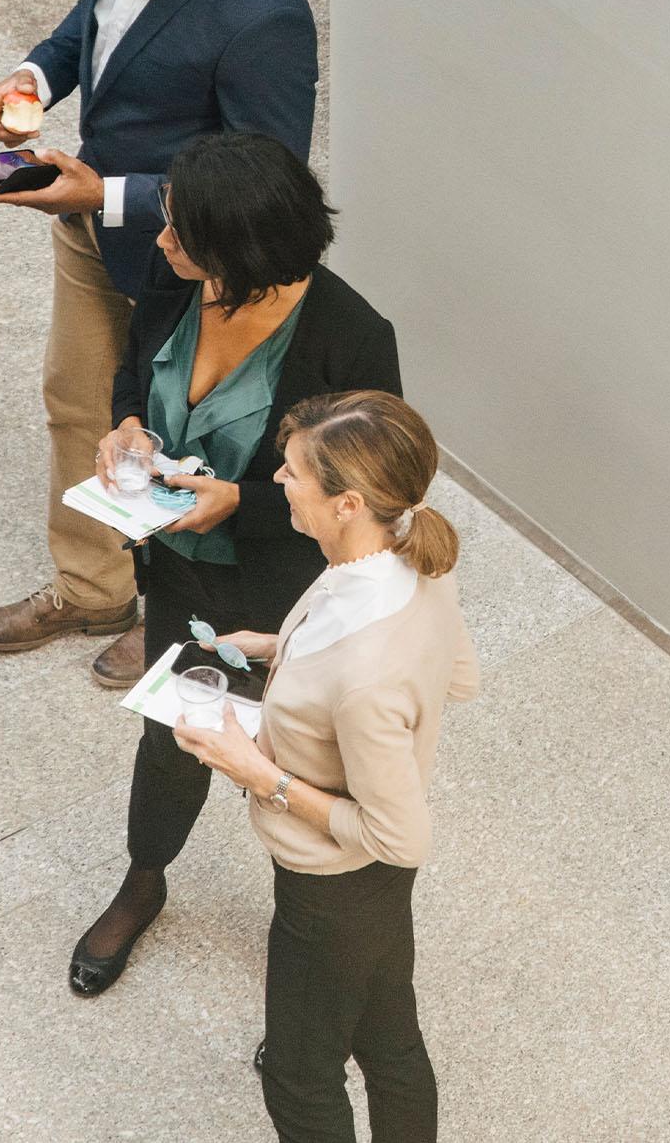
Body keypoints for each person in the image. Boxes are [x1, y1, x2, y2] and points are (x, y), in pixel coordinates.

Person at [0, 0, 318, 681]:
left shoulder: (260, 17)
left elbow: (264, 184)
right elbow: (96, 23)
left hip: (192, 260)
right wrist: (39, 73)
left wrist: (107, 191)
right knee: (80, 402)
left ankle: (178, 619)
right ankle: (92, 589)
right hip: (99, 227)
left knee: (184, 442)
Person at [66, 133, 402, 997]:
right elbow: (135, 371)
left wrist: (241, 503)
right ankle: (146, 877)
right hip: (181, 572)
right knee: (172, 735)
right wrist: (128, 424)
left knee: (298, 778)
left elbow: (368, 497)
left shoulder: (350, 338)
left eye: (180, 231)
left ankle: (311, 962)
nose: (161, 241)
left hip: (283, 598)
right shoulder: (177, 285)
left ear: (240, 249)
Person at [172, 392, 478, 1143]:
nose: (276, 477)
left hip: (332, 888)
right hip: (366, 892)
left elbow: (399, 836)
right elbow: (458, 672)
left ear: (345, 502)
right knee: (386, 1038)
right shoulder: (405, 546)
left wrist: (254, 768)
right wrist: (286, 648)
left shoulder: (366, 674)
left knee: (298, 1077)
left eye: (295, 472)